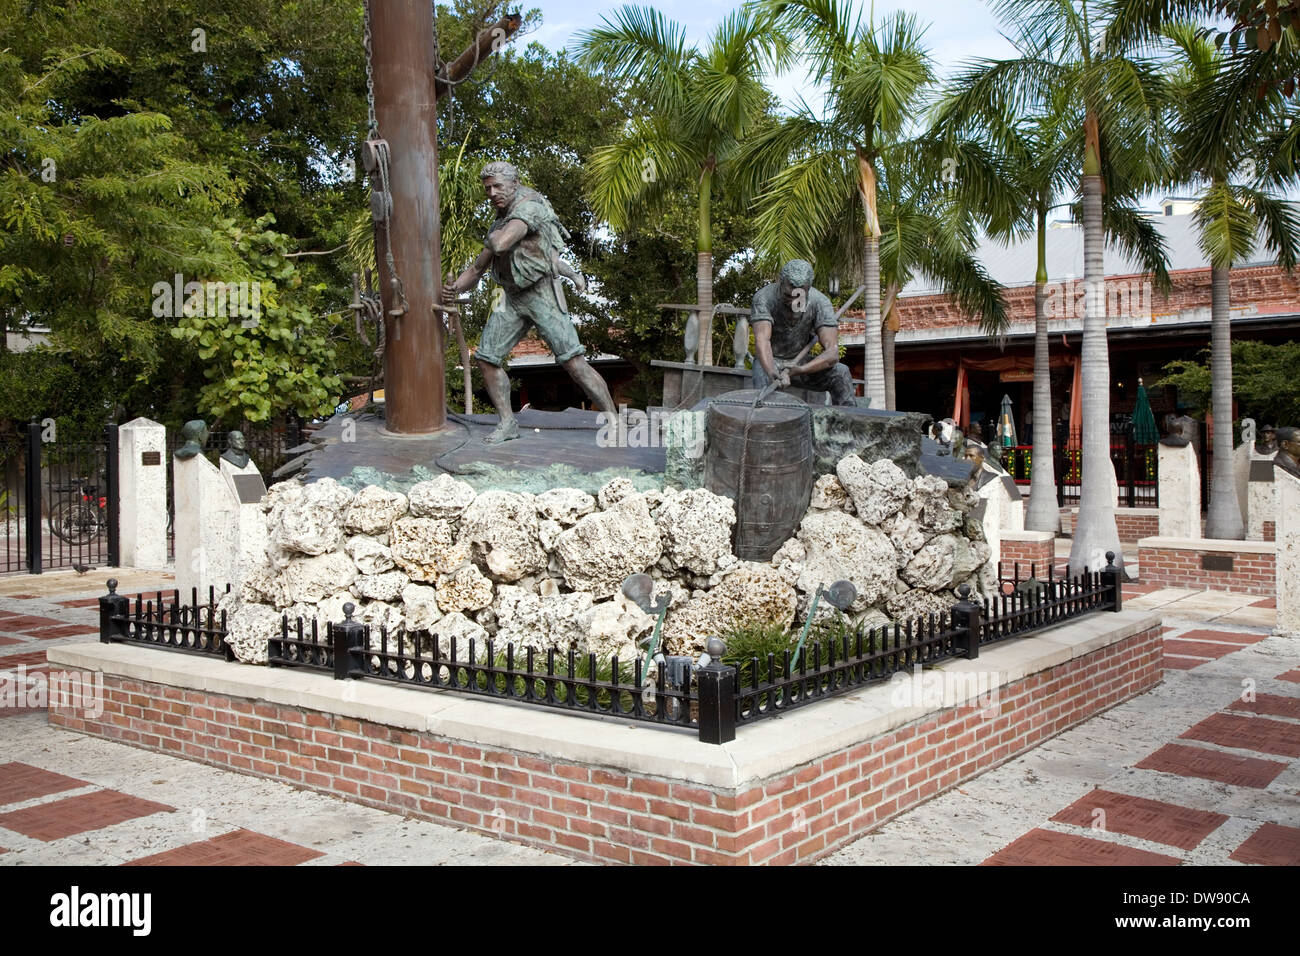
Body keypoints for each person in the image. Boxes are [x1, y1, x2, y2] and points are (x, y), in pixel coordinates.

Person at [442, 161, 615, 444]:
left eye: (498, 186)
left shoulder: (529, 207)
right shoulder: (500, 220)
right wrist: (452, 289)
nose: (492, 193)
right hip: (512, 298)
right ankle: (508, 422)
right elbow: (476, 270)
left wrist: (572, 274)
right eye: (487, 188)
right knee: (487, 358)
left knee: (573, 361)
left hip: (541, 294)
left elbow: (499, 245)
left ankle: (613, 418)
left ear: (514, 183)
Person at [750, 260, 855, 406]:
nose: (794, 299)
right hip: (771, 361)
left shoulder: (820, 302)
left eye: (799, 294)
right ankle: (763, 422)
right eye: (789, 294)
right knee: (762, 374)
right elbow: (763, 341)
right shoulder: (764, 298)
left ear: (809, 287)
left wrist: (800, 369)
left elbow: (832, 353)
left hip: (801, 365)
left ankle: (846, 423)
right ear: (781, 281)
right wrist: (774, 373)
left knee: (841, 372)